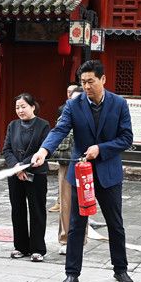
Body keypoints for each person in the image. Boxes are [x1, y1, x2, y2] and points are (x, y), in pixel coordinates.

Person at [30, 60, 135, 282]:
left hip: (108, 173)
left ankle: (120, 269)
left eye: (91, 81)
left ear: (103, 79)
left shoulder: (119, 104)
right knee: (76, 225)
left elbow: (127, 138)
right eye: (83, 82)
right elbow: (60, 130)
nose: (86, 86)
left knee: (115, 224)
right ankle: (72, 273)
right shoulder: (73, 105)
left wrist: (101, 149)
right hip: (81, 174)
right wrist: (43, 151)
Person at [3, 93, 51, 262]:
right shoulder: (13, 125)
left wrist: (23, 165)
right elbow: (7, 149)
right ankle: (20, 247)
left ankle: (37, 249)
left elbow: (43, 150)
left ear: (32, 106)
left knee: (37, 210)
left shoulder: (44, 125)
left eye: (23, 106)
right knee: (17, 210)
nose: (20, 110)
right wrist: (16, 167)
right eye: (17, 107)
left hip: (36, 174)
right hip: (15, 174)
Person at [52, 86, 87, 255]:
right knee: (65, 203)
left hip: (85, 166)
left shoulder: (90, 118)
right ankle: (65, 239)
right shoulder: (63, 118)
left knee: (84, 203)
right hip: (66, 164)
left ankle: (81, 239)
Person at [49, 82, 81, 214]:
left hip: (82, 160)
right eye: (69, 93)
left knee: (82, 195)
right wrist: (46, 150)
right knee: (64, 191)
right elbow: (58, 132)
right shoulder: (63, 110)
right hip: (66, 156)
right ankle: (61, 206)